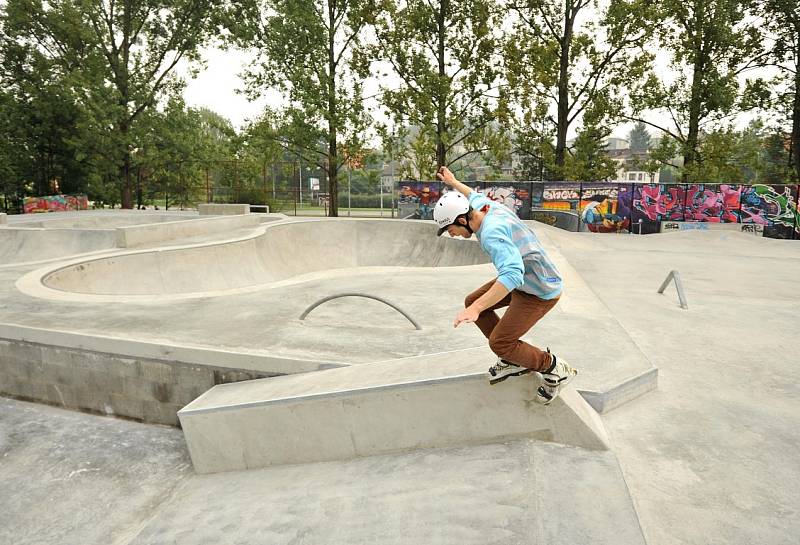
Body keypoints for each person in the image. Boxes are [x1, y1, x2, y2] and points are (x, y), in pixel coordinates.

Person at [433, 166, 577, 404]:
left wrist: (477, 308)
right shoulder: (484, 208)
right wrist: (454, 182)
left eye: (451, 229)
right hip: (528, 279)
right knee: (473, 302)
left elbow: (511, 275)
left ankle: (555, 368)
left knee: (498, 340)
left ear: (461, 220)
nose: (453, 235)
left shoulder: (491, 234)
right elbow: (471, 194)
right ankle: (512, 359)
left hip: (539, 290)